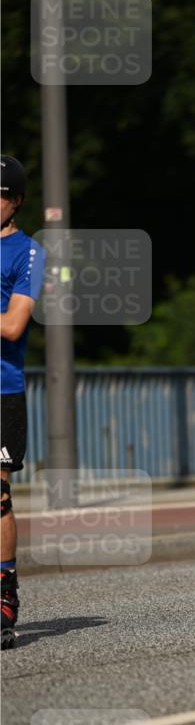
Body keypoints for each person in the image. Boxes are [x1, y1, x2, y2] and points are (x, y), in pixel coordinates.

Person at [1, 155, 45, 647]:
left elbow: (13, 325)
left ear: (15, 201)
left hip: (2, 389)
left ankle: (4, 591)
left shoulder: (27, 252)